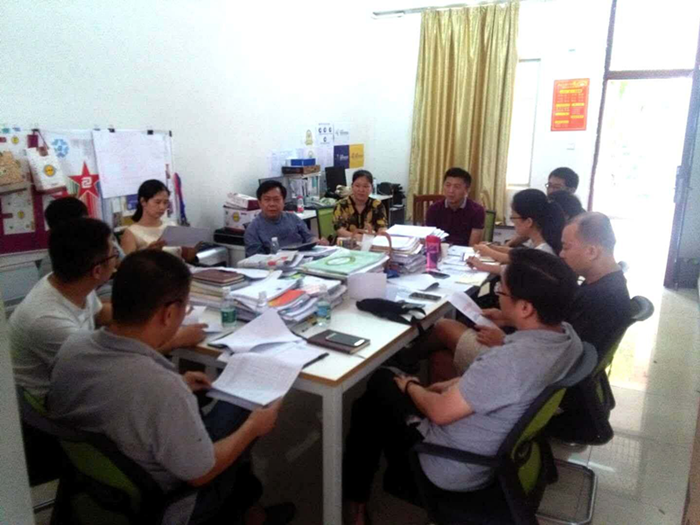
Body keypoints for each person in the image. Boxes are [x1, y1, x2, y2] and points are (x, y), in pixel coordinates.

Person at [48, 251, 294, 525]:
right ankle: (248, 515)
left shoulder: (72, 348)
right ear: (168, 313)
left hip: (106, 483)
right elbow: (201, 474)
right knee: (244, 412)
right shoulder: (160, 387)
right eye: (185, 308)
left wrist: (179, 384)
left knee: (226, 407)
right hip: (172, 501)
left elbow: (119, 392)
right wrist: (253, 428)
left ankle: (250, 513)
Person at [341, 249, 582, 525]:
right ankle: (357, 500)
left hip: (450, 467)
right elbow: (501, 380)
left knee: (381, 382)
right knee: (375, 401)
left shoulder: (509, 363)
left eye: (502, 292)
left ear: (526, 308)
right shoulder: (568, 339)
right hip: (492, 448)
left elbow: (440, 412)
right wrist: (508, 319)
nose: (499, 297)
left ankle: (355, 503)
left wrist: (411, 386)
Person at [10, 217, 206, 404]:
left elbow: (101, 314)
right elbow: (113, 369)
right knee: (175, 396)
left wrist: (155, 314)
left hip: (86, 383)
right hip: (60, 408)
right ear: (97, 271)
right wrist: (176, 339)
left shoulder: (69, 282)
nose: (117, 259)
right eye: (114, 254)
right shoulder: (49, 321)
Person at [560, 212, 632, 358]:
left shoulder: (599, 298)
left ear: (592, 252)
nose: (561, 254)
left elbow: (566, 352)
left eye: (566, 247)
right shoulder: (607, 282)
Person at [468, 189, 565, 274]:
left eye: (513, 217)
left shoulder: (544, 251)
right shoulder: (536, 241)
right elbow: (518, 255)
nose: (513, 222)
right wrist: (493, 248)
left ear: (528, 222)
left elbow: (514, 270)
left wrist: (485, 259)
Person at [244, 180, 328, 257]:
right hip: (274, 266)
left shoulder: (293, 218)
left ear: (283, 202)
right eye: (267, 200)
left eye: (276, 199)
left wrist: (318, 242)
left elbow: (309, 237)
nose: (272, 204)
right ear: (259, 203)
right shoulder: (253, 229)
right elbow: (256, 260)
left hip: (302, 261)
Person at [120, 179, 198, 262]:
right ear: (143, 202)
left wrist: (193, 247)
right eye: (157, 202)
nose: (162, 207)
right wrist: (149, 254)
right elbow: (127, 266)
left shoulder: (171, 226)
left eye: (165, 202)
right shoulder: (131, 233)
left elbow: (186, 257)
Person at [425, 167, 485, 246]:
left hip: (464, 252)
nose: (451, 191)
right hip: (440, 250)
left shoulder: (477, 211)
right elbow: (429, 240)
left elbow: (473, 246)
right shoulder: (433, 209)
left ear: (467, 190)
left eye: (457, 187)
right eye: (448, 185)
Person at [333, 170, 388, 241]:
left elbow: (382, 227)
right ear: (352, 186)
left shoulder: (377, 205)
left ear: (371, 188)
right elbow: (339, 230)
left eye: (365, 186)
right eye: (357, 186)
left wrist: (380, 236)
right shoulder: (342, 205)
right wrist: (358, 237)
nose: (361, 190)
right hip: (346, 243)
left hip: (370, 243)